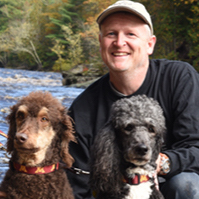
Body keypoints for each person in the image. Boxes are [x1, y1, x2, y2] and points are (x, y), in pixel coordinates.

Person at [66, 0, 199, 199]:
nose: (119, 42)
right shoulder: (82, 109)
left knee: (187, 185)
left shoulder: (180, 78)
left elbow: (196, 146)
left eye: (131, 34)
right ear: (101, 41)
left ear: (150, 44)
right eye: (111, 34)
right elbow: (76, 186)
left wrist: (161, 163)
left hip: (172, 187)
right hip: (111, 192)